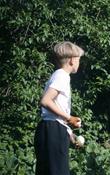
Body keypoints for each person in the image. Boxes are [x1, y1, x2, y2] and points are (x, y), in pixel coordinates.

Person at [34, 41, 84, 175]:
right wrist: (70, 118)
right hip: (52, 131)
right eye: (79, 60)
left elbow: (54, 114)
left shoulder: (58, 75)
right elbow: (45, 101)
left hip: (51, 129)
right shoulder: (62, 76)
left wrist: (70, 134)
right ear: (72, 60)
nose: (79, 63)